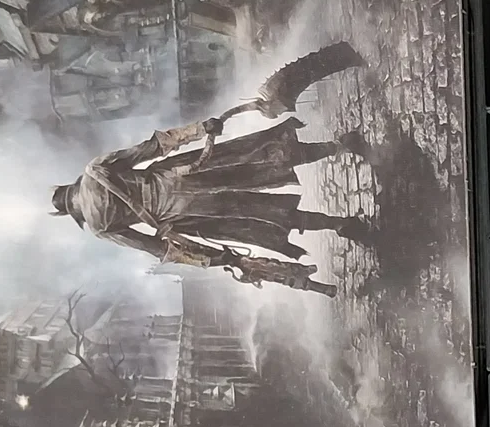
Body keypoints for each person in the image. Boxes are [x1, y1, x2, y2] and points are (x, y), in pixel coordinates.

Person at [49, 41, 373, 287]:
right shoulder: (94, 171)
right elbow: (150, 149)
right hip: (185, 174)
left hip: (184, 214)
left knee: (264, 215)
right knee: (263, 158)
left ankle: (340, 224)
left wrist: (216, 259)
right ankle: (341, 145)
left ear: (72, 212)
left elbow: (156, 248)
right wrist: (200, 129)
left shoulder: (99, 227)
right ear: (69, 186)